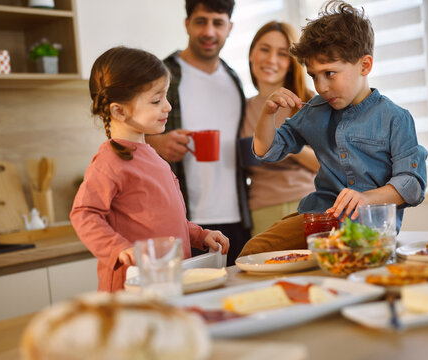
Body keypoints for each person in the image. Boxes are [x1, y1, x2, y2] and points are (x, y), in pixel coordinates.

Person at [239, 0, 428, 256]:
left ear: (365, 65)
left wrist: (366, 198)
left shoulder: (395, 118)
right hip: (319, 219)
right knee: (255, 250)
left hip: (369, 230)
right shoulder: (315, 110)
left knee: (346, 262)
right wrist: (268, 114)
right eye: (313, 75)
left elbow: (412, 184)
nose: (321, 86)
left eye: (330, 73)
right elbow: (267, 150)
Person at [70, 47, 229, 292]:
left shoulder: (152, 155)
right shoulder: (109, 161)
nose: (167, 106)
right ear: (118, 111)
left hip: (165, 283)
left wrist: (199, 235)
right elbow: (83, 213)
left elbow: (165, 220)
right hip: (131, 290)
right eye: (156, 100)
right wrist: (118, 248)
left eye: (165, 97)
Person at [146, 0, 250, 265]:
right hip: (184, 223)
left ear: (230, 27)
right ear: (187, 24)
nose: (209, 32)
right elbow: (123, 135)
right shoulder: (161, 74)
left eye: (218, 23)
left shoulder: (233, 79)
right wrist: (156, 143)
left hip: (237, 219)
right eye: (201, 21)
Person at [240, 21, 320, 236]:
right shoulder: (241, 109)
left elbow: (333, 164)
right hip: (261, 211)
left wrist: (284, 145)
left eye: (282, 54)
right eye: (264, 49)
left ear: (292, 61)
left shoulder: (310, 102)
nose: (271, 60)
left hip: (309, 205)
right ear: (251, 54)